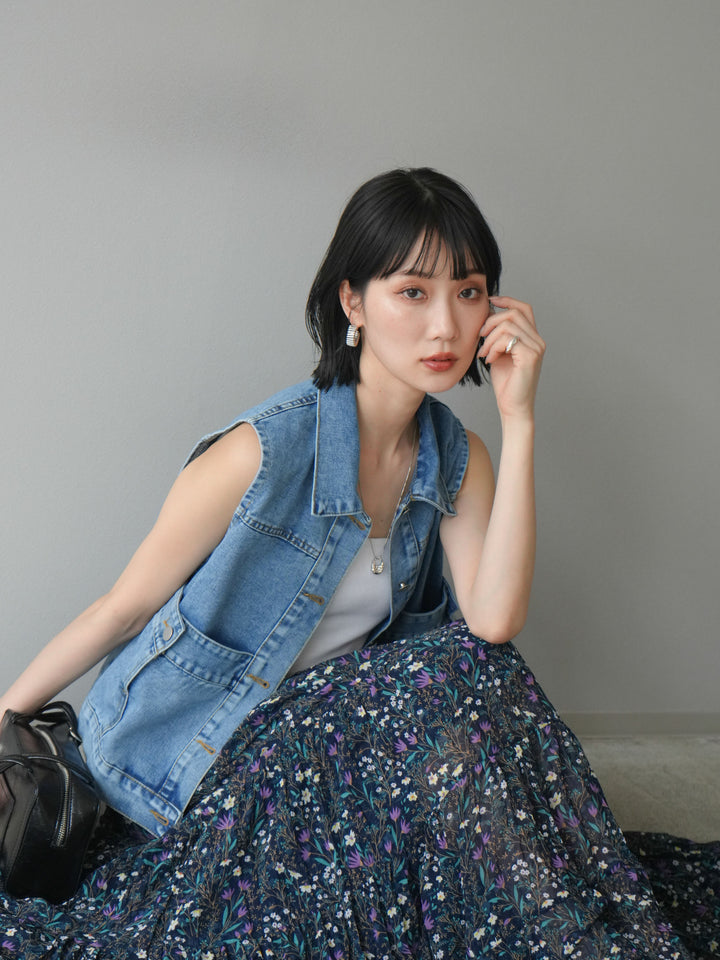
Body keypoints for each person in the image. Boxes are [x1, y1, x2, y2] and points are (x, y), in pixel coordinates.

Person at [0, 168, 712, 958]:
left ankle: (552, 926)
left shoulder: (456, 456)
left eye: (469, 293)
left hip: (331, 755)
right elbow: (122, 610)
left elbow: (494, 620)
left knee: (480, 669)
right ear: (353, 303)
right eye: (412, 292)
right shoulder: (264, 450)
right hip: (201, 765)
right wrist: (4, 719)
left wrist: (520, 420)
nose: (446, 325)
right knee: (450, 681)